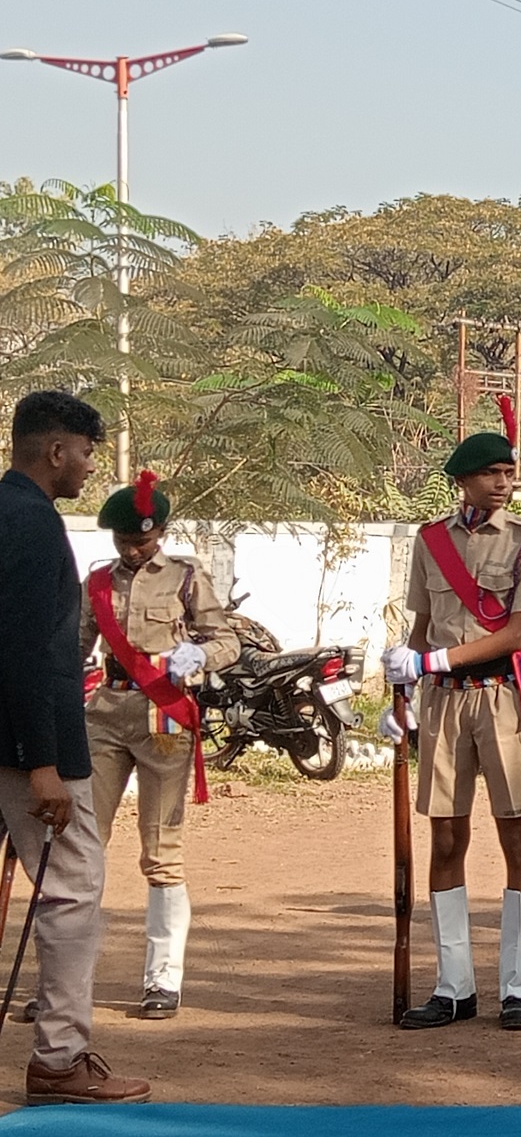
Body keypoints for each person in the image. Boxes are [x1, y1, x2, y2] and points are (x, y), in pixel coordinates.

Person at [383, 397, 521, 1033]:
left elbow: (516, 633)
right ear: (463, 480)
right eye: (491, 473)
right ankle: (452, 985)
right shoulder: (431, 541)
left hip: (505, 695)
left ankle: (520, 987)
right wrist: (401, 689)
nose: (503, 483)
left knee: (517, 835)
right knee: (447, 837)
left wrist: (431, 660)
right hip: (443, 701)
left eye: (509, 473)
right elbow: (422, 625)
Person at [0, 392, 149, 1103]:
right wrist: (42, 764)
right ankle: (60, 1058)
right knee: (71, 890)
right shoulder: (31, 522)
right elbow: (27, 651)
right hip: (28, 746)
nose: (91, 466)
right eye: (87, 452)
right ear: (56, 450)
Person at [78, 470, 238, 1018]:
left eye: (141, 541)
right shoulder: (98, 582)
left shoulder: (186, 579)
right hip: (106, 713)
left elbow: (226, 641)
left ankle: (162, 981)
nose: (132, 550)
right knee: (83, 846)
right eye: (123, 540)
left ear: (160, 534)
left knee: (161, 852)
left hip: (164, 715)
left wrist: (200, 656)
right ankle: (69, 978)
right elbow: (76, 646)